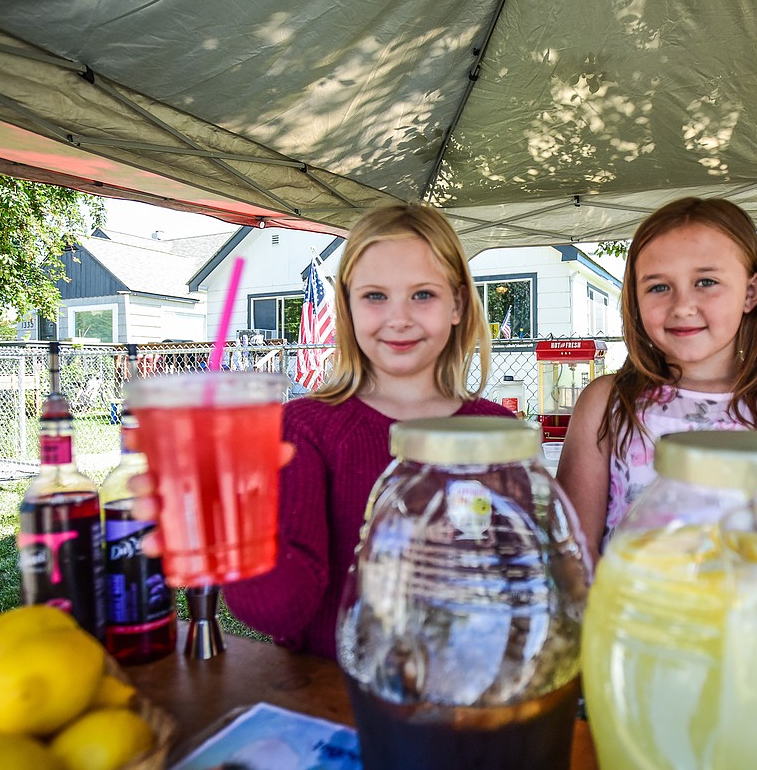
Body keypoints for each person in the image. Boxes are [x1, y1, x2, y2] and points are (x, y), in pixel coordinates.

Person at [138, 204, 514, 659]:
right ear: (348, 306)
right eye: (375, 296)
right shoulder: (305, 429)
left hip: (466, 694)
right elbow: (278, 613)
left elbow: (523, 583)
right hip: (332, 702)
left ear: (457, 304)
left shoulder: (500, 433)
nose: (398, 318)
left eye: (422, 295)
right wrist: (238, 528)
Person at [556, 197, 757, 562]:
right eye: (658, 287)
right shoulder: (607, 402)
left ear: (750, 293)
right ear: (635, 298)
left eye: (706, 281)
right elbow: (573, 553)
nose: (682, 305)